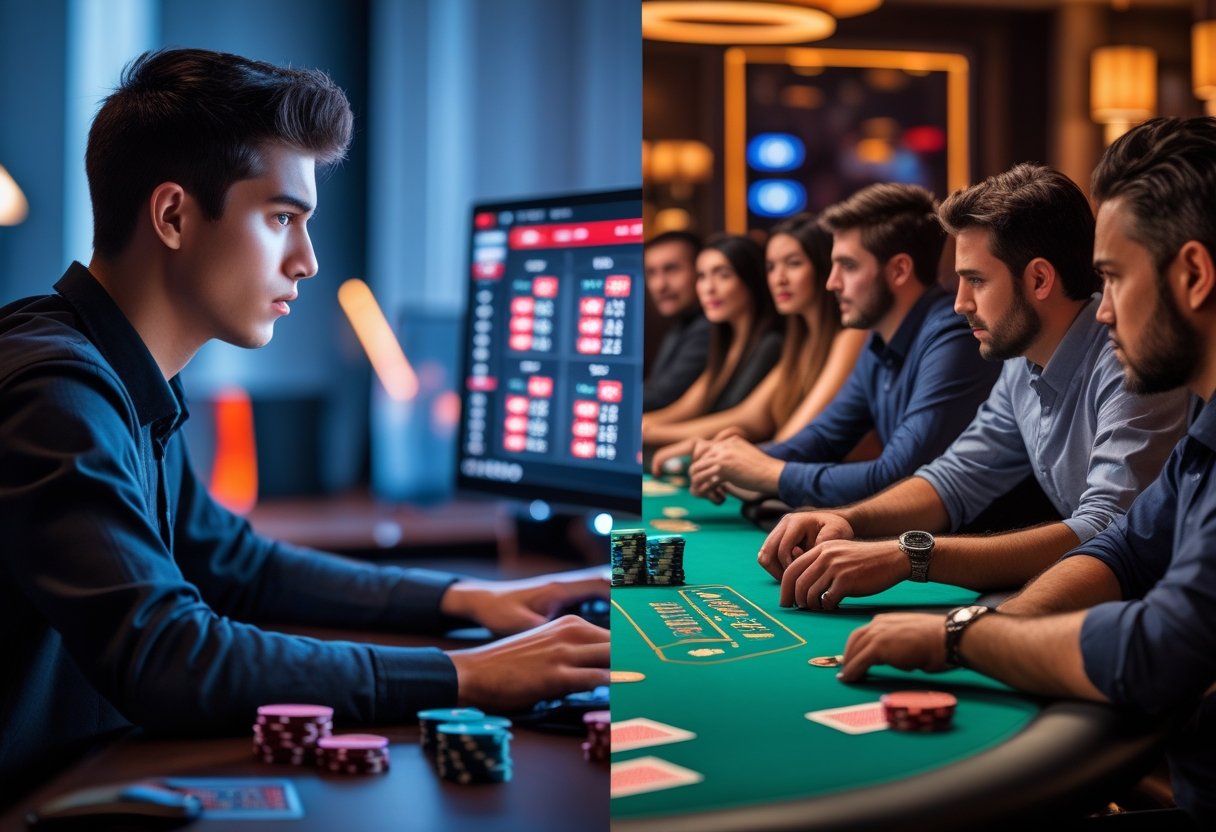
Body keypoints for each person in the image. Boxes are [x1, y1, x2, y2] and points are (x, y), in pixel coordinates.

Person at [0, 48, 608, 800]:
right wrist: (466, 674)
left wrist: (462, 600)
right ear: (172, 216)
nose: (309, 260)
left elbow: (234, 564)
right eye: (283, 217)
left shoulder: (117, 371)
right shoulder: (55, 391)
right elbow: (167, 655)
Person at [834, 116, 1216, 830]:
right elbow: (1124, 545)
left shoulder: (1140, 372)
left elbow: (1156, 647)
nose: (1100, 310)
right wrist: (988, 620)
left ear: (1193, 275)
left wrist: (961, 635)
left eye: (1112, 279)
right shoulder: (1205, 428)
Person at [759, 163, 1187, 611]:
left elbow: (1106, 529)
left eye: (977, 280)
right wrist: (845, 519)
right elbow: (954, 480)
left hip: (1157, 615)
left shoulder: (1129, 359)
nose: (961, 302)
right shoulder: (1021, 360)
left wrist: (911, 555)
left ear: (1039, 279)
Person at [685, 183, 1000, 508]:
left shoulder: (953, 335)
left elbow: (897, 476)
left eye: (848, 266)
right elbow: (823, 438)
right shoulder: (879, 339)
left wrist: (771, 473)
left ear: (899, 270)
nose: (831, 282)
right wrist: (729, 459)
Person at [647, 215, 867, 469]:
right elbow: (752, 416)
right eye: (771, 267)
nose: (779, 278)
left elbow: (793, 440)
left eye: (793, 264)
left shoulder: (849, 337)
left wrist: (720, 453)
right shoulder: (799, 343)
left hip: (832, 488)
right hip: (795, 479)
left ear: (823, 268)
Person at [641, 234, 782, 440]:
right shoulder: (725, 342)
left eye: (723, 275)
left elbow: (747, 420)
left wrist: (644, 432)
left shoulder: (772, 343)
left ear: (751, 278)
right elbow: (687, 407)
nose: (708, 288)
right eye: (702, 276)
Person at [643, 230, 710, 412]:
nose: (660, 285)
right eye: (651, 273)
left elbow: (661, 396)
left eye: (671, 269)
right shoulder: (681, 324)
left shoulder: (707, 328)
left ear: (700, 272)